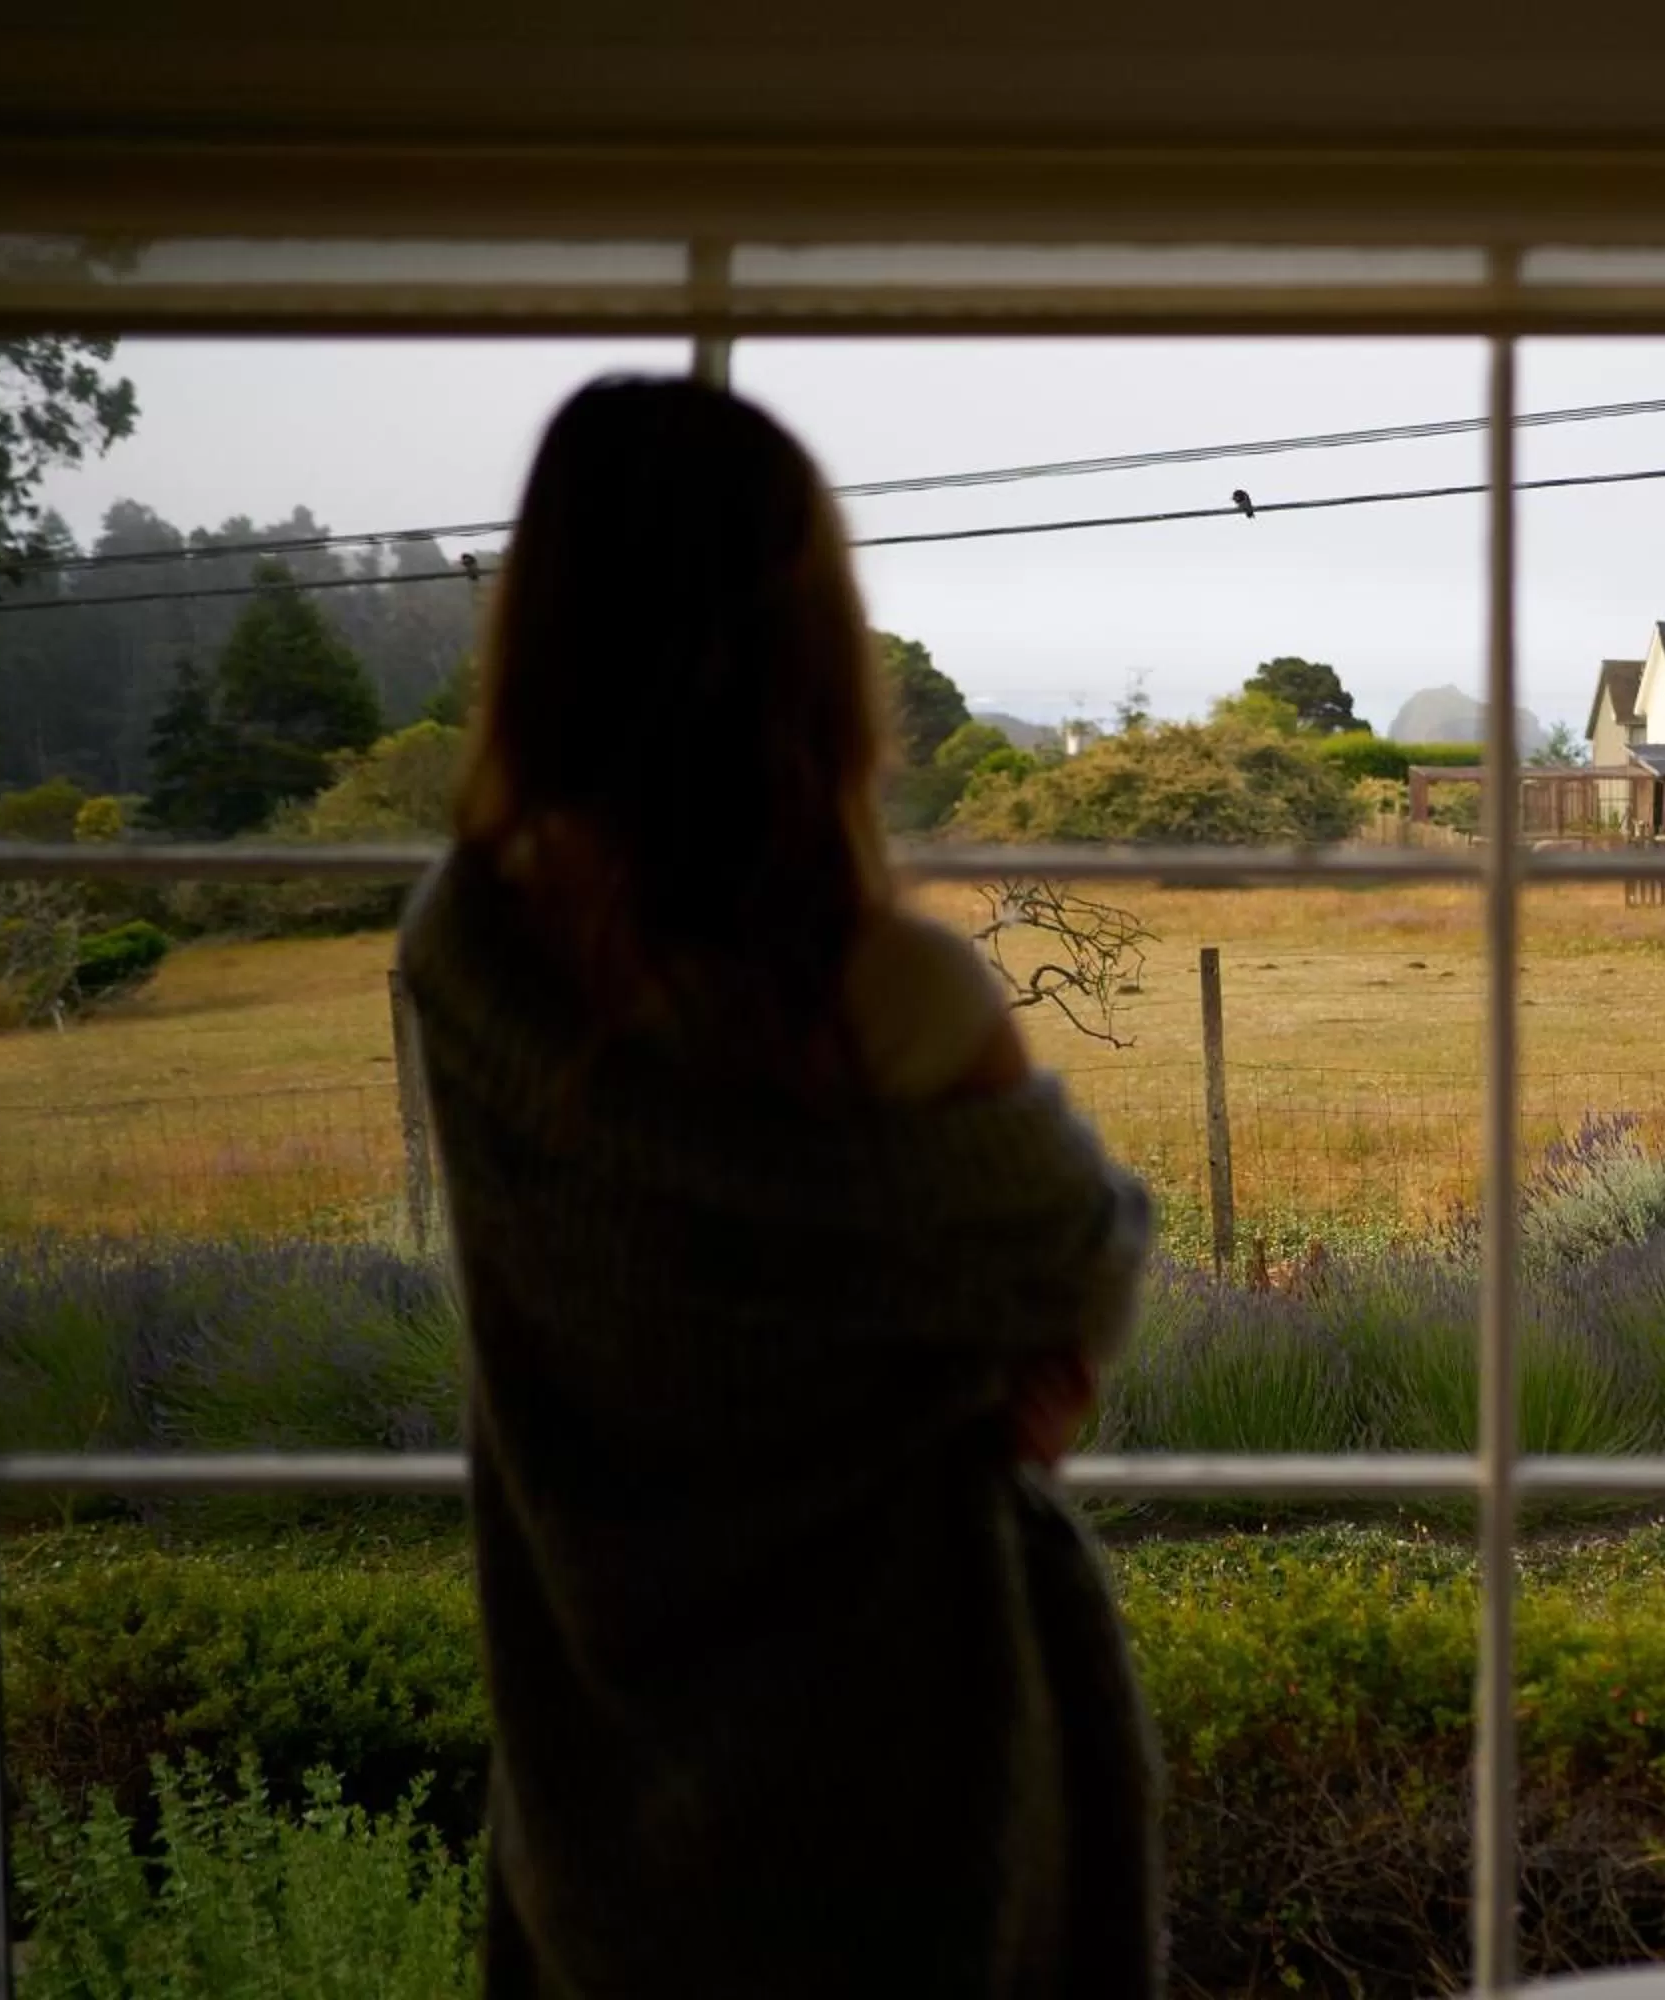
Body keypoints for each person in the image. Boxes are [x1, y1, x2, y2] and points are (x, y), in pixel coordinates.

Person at [400, 377, 1160, 1997]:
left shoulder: (461, 951)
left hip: (592, 1776)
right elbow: (1082, 1260)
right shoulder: (893, 996)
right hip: (908, 1782)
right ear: (810, 649)